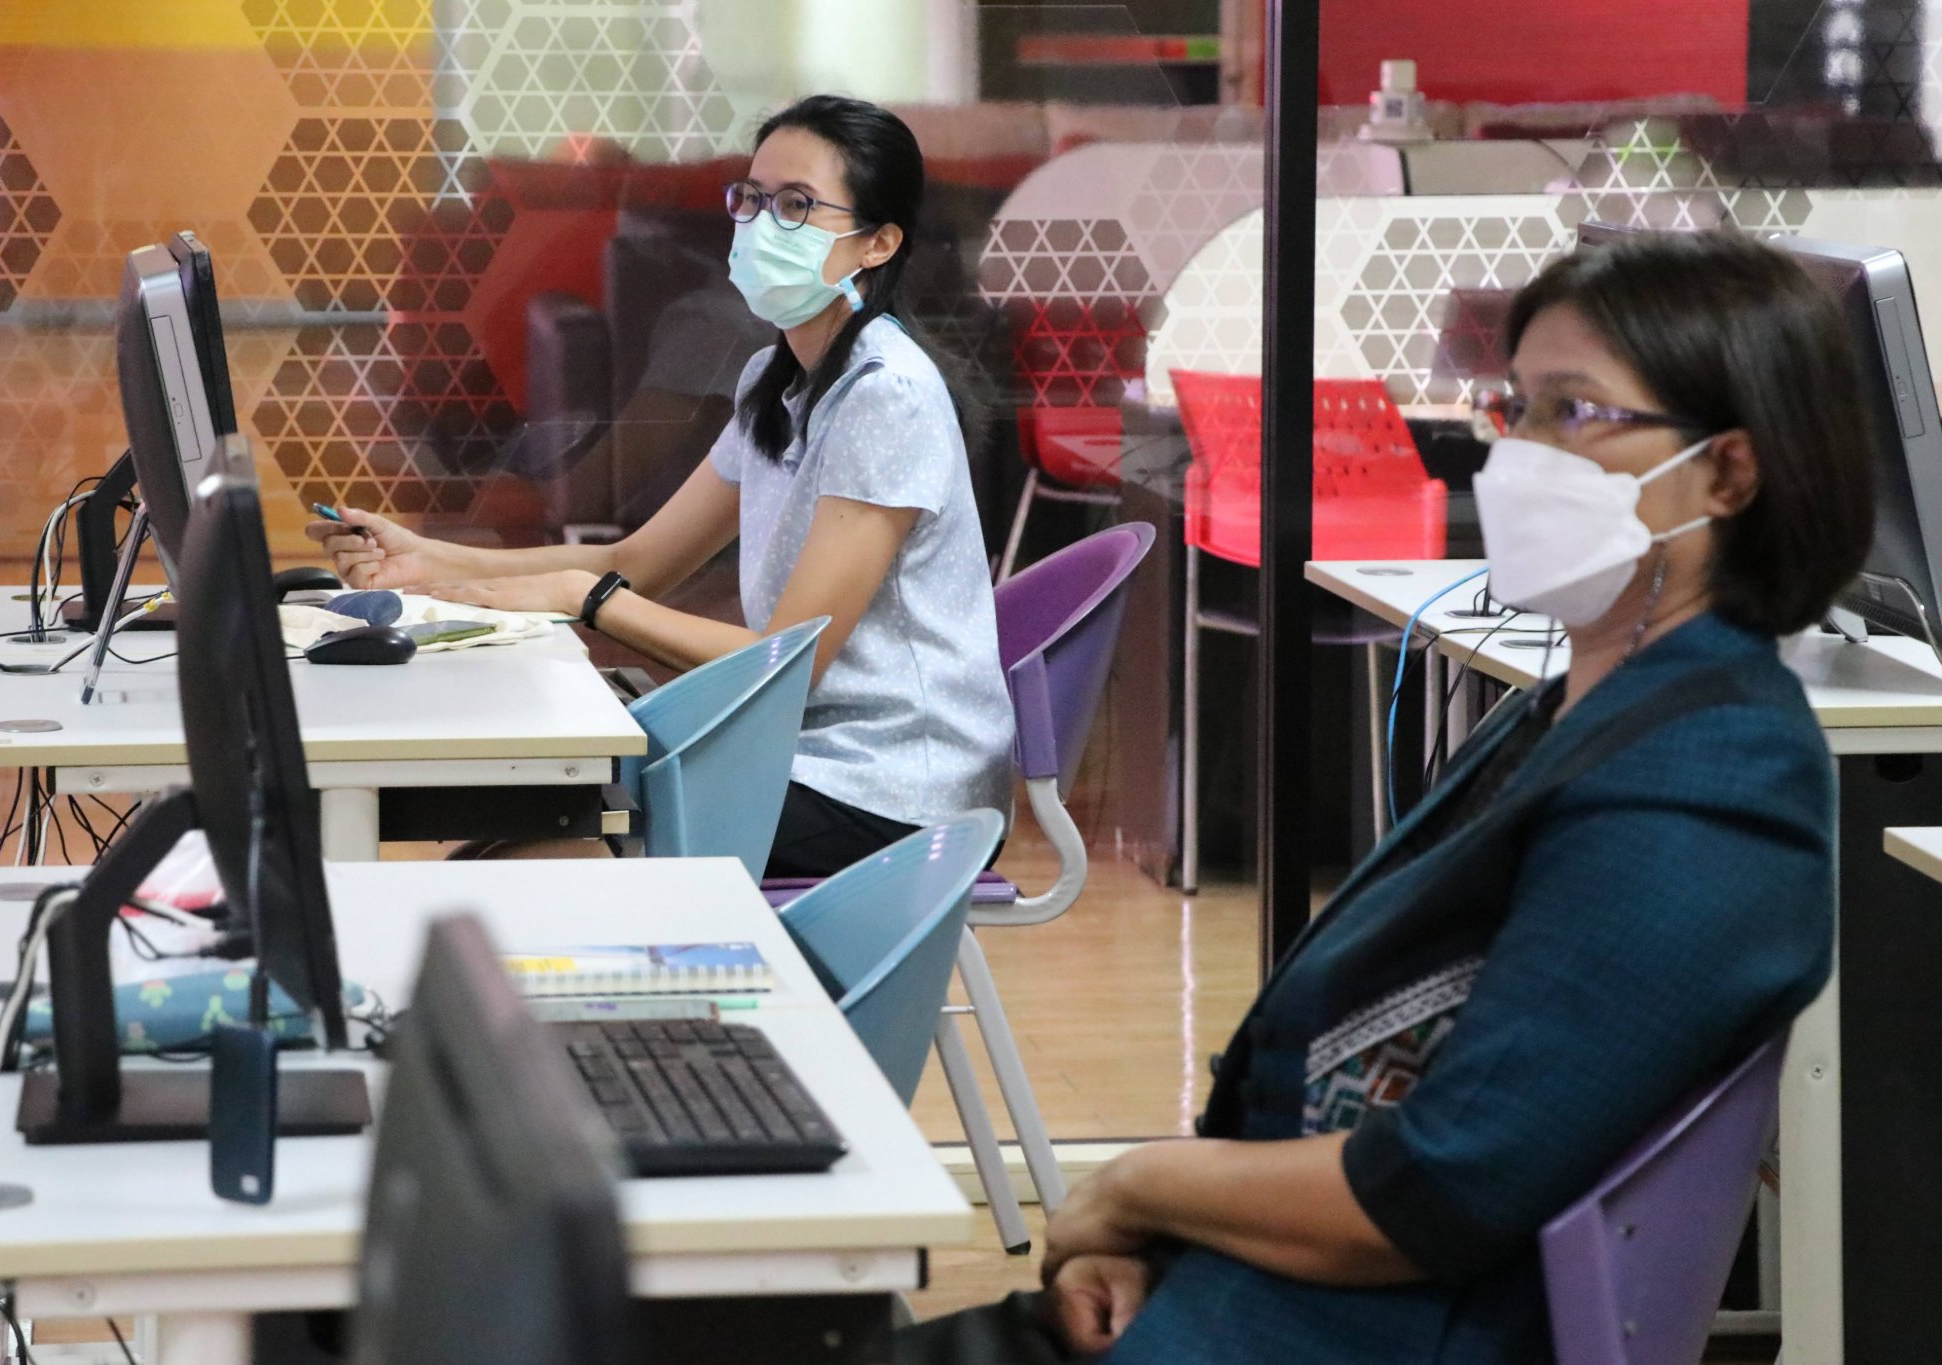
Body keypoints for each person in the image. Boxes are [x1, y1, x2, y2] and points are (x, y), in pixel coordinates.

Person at [898, 229, 1872, 1363]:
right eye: (1514, 409)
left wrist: (1137, 1188)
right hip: (1247, 1299)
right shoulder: (1577, 712)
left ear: (1727, 474)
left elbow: (1440, 1186)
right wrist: (1153, 1239)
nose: (1517, 454)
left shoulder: (1712, 772)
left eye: (1572, 411)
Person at [309, 96, 1014, 877]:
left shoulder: (886, 397)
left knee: (521, 857)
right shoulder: (776, 380)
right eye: (752, 199)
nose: (761, 224)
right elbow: (638, 560)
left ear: (878, 242)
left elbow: (788, 661)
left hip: (893, 790)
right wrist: (427, 561)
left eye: (796, 205)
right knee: (502, 834)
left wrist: (587, 601)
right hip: (798, 753)